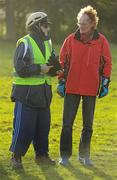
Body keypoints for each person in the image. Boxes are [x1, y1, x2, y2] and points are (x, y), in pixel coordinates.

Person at [58, 5, 112, 166]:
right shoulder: (70, 40)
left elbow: (107, 63)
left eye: (85, 24)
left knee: (87, 125)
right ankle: (65, 156)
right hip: (72, 86)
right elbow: (62, 61)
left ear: (92, 24)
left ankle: (84, 156)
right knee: (67, 123)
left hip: (90, 87)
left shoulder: (101, 41)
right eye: (79, 23)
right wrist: (61, 81)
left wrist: (105, 83)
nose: (81, 27)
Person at [9, 12, 60, 168]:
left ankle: (42, 155)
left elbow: (51, 65)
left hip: (44, 94)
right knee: (24, 127)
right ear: (36, 26)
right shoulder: (25, 42)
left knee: (43, 127)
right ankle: (16, 157)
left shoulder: (48, 43)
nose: (48, 28)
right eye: (45, 25)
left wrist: (56, 69)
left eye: (48, 25)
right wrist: (40, 68)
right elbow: (20, 68)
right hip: (26, 95)